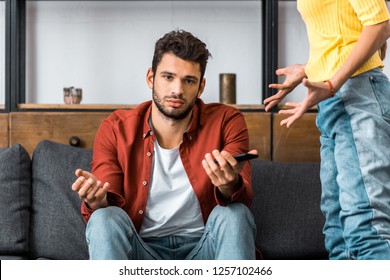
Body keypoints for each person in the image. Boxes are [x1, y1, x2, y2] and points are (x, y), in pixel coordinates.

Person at [71, 29, 258, 260]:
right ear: (151, 77)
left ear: (200, 87)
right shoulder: (116, 128)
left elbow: (242, 198)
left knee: (236, 215)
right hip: (140, 252)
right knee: (103, 219)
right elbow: (107, 205)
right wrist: (96, 200)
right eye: (168, 77)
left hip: (205, 251)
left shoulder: (227, 121)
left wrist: (229, 184)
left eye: (189, 81)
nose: (177, 90)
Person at [264, 0, 390, 259]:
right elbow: (341, 34)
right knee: (337, 235)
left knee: (365, 229)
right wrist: (310, 70)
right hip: (334, 101)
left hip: (357, 94)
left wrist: (332, 82)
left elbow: (379, 25)